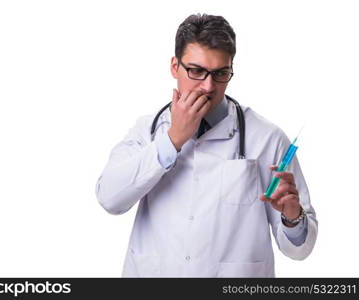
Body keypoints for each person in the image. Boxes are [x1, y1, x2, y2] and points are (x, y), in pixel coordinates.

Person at [95, 13, 318, 277]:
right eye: (196, 71)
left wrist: (292, 217)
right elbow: (110, 199)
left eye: (220, 73)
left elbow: (300, 249)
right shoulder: (148, 130)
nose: (208, 86)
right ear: (174, 67)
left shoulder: (267, 138)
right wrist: (172, 139)